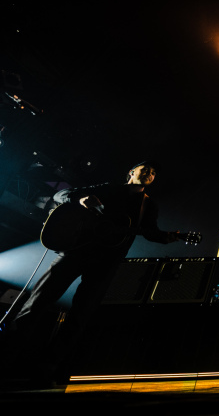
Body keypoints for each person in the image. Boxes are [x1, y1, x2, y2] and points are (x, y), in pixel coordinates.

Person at [6, 161, 182, 381]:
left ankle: (47, 367)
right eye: (145, 169)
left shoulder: (149, 205)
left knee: (80, 315)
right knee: (39, 301)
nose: (149, 173)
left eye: (154, 173)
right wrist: (80, 200)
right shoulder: (108, 188)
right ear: (131, 172)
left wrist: (168, 237)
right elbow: (62, 195)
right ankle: (8, 354)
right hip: (77, 251)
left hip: (106, 263)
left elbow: (150, 232)